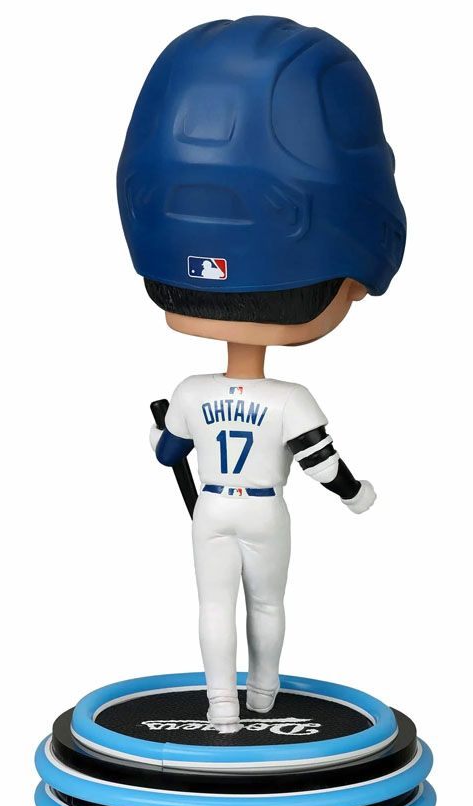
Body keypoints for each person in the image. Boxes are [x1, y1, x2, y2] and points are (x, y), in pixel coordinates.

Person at [118, 16, 406, 732]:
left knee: (213, 605)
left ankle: (222, 706)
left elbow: (166, 451)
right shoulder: (290, 398)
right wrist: (358, 496)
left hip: (213, 507)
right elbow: (321, 463)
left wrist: (164, 436)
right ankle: (264, 697)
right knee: (268, 604)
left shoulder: (191, 393)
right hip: (263, 507)